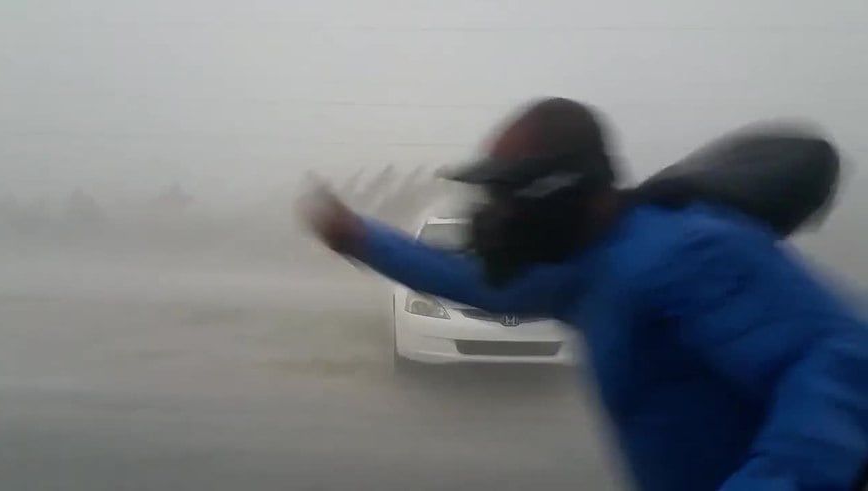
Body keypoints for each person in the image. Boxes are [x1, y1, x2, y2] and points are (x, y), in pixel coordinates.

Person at [298, 97, 868, 491]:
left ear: (560, 189)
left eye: (507, 196)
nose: (495, 215)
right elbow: (476, 282)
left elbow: (839, 358)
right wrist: (360, 238)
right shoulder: (584, 263)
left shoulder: (685, 250)